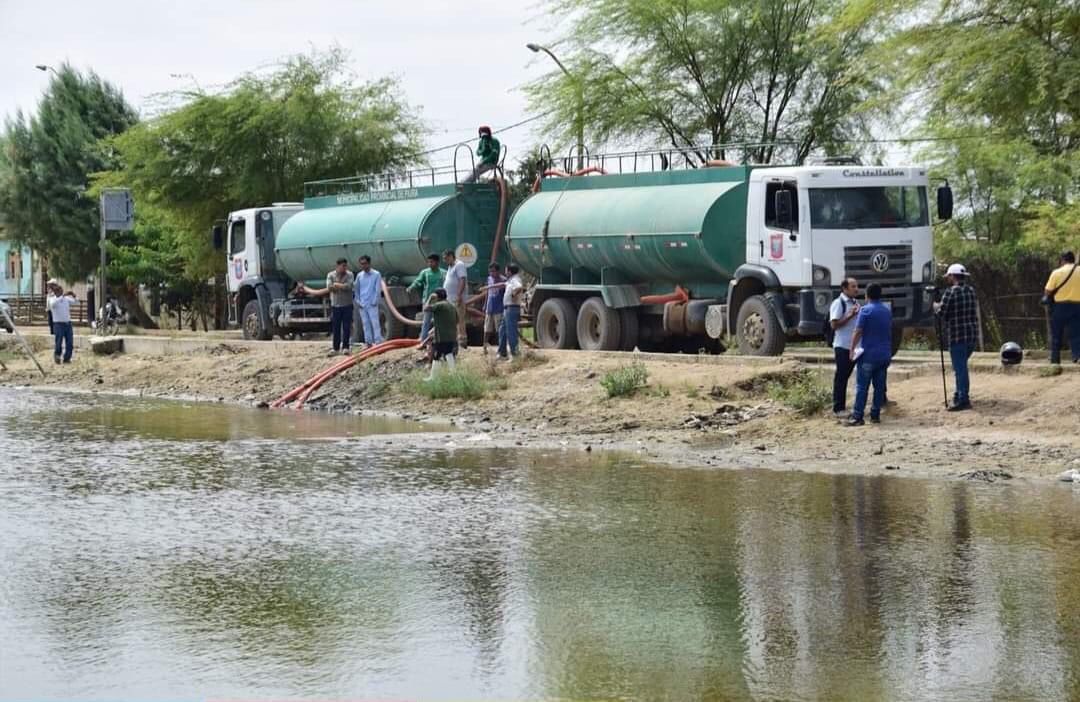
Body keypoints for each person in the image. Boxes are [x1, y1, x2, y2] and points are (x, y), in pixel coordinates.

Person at [934, 262, 979, 411]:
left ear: (952, 276)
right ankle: (958, 393)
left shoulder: (950, 292)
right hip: (971, 336)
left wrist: (936, 306)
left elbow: (943, 314)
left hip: (957, 336)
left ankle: (963, 399)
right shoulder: (971, 290)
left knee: (960, 369)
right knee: (961, 367)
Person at [846, 283, 892, 426]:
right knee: (879, 386)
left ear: (867, 295)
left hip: (868, 355)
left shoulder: (865, 311)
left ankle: (858, 416)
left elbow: (858, 331)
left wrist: (852, 349)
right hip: (884, 355)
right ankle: (875, 414)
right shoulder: (887, 311)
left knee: (862, 386)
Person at [303, 258, 354, 354]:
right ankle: (335, 348)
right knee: (336, 327)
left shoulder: (350, 274)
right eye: (343, 266)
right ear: (338, 266)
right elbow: (330, 287)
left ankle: (346, 347)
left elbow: (349, 286)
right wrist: (341, 286)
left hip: (347, 305)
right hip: (335, 305)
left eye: (345, 266)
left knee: (347, 327)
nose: (344, 268)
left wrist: (337, 285)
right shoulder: (331, 275)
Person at [829, 277, 861, 417]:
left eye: (856, 286)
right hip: (842, 346)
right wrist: (849, 315)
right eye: (853, 286)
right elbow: (834, 325)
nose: (856, 289)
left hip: (855, 346)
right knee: (841, 377)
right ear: (845, 288)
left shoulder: (855, 302)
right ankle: (838, 408)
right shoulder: (838, 303)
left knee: (850, 376)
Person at [1044, 251, 1080, 365]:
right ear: (1073, 260)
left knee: (1057, 333)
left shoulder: (1057, 272)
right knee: (1076, 334)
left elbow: (1048, 291)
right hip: (1077, 306)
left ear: (1063, 260)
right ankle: (1077, 356)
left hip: (1060, 306)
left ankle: (1055, 359)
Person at [408, 253, 445, 350]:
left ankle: (438, 340)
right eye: (428, 262)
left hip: (440, 302)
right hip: (428, 301)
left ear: (437, 262)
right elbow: (418, 281)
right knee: (426, 321)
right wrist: (411, 287)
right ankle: (423, 340)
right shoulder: (425, 272)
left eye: (431, 262)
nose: (429, 264)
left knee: (440, 321)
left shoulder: (443, 273)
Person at [425, 288, 459, 380]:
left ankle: (433, 378)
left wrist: (430, 298)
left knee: (436, 355)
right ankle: (454, 374)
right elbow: (457, 321)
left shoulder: (439, 305)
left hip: (441, 337)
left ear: (437, 296)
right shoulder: (451, 306)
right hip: (451, 336)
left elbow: (426, 308)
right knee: (448, 353)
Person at [354, 255, 384, 348]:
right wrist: (358, 301)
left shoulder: (376, 274)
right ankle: (368, 342)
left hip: (372, 303)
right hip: (362, 303)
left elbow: (377, 289)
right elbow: (356, 289)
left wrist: (374, 301)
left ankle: (378, 342)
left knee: (375, 323)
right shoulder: (359, 275)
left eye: (365, 263)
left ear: (369, 263)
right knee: (365, 324)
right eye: (361, 264)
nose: (363, 266)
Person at [442, 248, 469, 348]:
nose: (445, 261)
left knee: (459, 319)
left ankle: (462, 341)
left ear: (451, 256)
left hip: (457, 298)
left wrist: (459, 295)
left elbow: (462, 280)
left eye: (446, 258)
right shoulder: (450, 267)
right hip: (450, 299)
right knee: (452, 320)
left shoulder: (459, 265)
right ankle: (455, 339)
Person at [498, 264, 524, 360]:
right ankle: (502, 353)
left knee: (511, 332)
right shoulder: (510, 280)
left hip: (512, 308)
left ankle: (515, 354)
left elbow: (519, 287)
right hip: (507, 309)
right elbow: (502, 284)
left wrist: (513, 295)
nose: (505, 272)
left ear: (509, 271)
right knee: (502, 330)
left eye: (506, 270)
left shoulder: (515, 280)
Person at [47, 283, 76, 364]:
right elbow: (53, 304)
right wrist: (62, 296)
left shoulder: (66, 299)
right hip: (58, 324)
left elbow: (76, 302)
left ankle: (67, 358)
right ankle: (57, 356)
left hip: (67, 324)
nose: (61, 292)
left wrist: (74, 295)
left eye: (61, 291)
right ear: (56, 292)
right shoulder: (52, 299)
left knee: (69, 342)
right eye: (59, 291)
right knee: (58, 342)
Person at [481, 263, 505, 348]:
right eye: (490, 271)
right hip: (489, 307)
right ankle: (484, 345)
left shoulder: (503, 280)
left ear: (498, 271)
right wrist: (485, 304)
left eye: (493, 271)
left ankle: (501, 346)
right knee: (487, 328)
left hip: (499, 308)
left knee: (499, 329)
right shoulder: (489, 279)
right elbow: (488, 292)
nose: (492, 273)